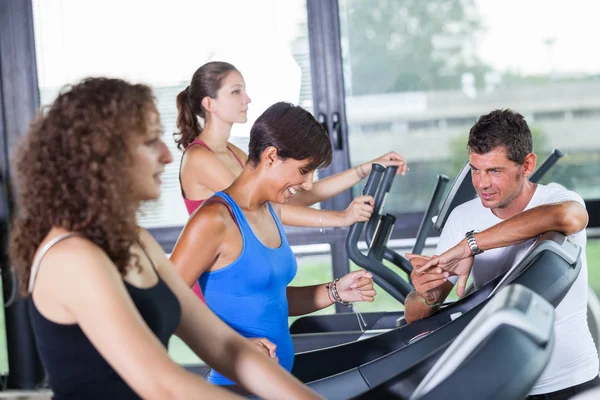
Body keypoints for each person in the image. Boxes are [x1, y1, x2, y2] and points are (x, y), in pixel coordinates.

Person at [9, 78, 323, 400]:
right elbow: (163, 386)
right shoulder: (71, 257)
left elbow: (227, 347)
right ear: (103, 156)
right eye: (149, 142)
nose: (167, 155)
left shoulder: (137, 242)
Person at [170, 102, 377, 386]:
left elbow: (273, 300)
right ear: (271, 156)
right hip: (235, 387)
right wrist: (232, 347)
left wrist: (335, 291)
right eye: (304, 170)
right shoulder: (214, 220)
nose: (307, 184)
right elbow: (165, 304)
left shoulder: (270, 211)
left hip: (277, 383)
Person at [404, 109, 599, 399]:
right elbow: (414, 315)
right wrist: (426, 295)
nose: (482, 183)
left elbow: (570, 217)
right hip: (503, 386)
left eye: (494, 171)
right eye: (475, 169)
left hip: (571, 380)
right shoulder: (462, 217)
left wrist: (471, 244)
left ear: (527, 164)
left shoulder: (558, 201)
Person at [175, 61, 406, 302]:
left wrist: (364, 169)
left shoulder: (232, 151)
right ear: (209, 103)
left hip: (247, 275)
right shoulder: (199, 157)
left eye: (244, 90)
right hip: (217, 291)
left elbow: (297, 193)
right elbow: (265, 208)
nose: (247, 99)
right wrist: (341, 218)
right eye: (235, 92)